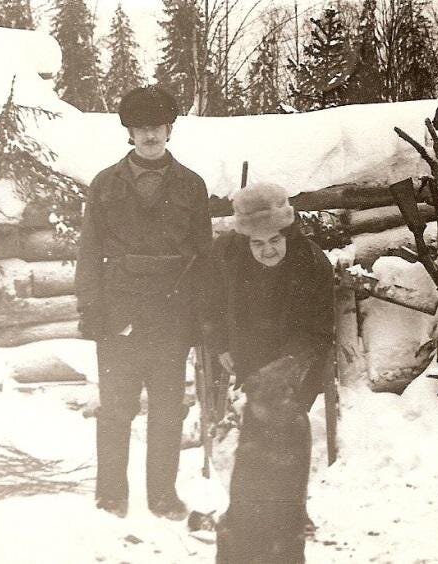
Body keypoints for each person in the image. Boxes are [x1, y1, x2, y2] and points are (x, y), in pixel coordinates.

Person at [74, 86, 212, 520]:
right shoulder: (104, 184)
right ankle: (111, 496)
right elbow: (89, 250)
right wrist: (91, 310)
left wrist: (202, 318)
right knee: (116, 409)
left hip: (171, 315)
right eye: (140, 128)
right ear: (129, 134)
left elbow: (204, 256)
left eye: (156, 127)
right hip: (120, 315)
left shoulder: (191, 185)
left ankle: (163, 497)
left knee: (168, 412)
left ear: (169, 130)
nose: (149, 135)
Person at [208, 182, 333, 563]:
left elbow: (319, 329)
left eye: (275, 240)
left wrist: (287, 373)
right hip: (251, 367)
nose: (267, 250)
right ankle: (243, 545)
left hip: (294, 373)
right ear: (245, 241)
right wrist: (222, 345)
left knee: (284, 462)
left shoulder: (310, 262)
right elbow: (211, 304)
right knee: (252, 464)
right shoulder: (228, 258)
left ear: (287, 232)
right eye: (257, 243)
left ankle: (284, 543)